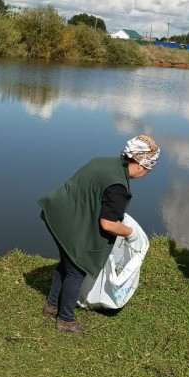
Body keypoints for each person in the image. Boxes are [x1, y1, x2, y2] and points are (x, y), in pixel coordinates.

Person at [38, 135, 160, 333]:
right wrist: (130, 233)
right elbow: (108, 224)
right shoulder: (118, 187)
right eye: (149, 169)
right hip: (68, 222)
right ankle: (66, 319)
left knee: (67, 263)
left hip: (55, 211)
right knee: (76, 269)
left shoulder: (103, 162)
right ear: (141, 165)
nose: (147, 173)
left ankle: (52, 305)